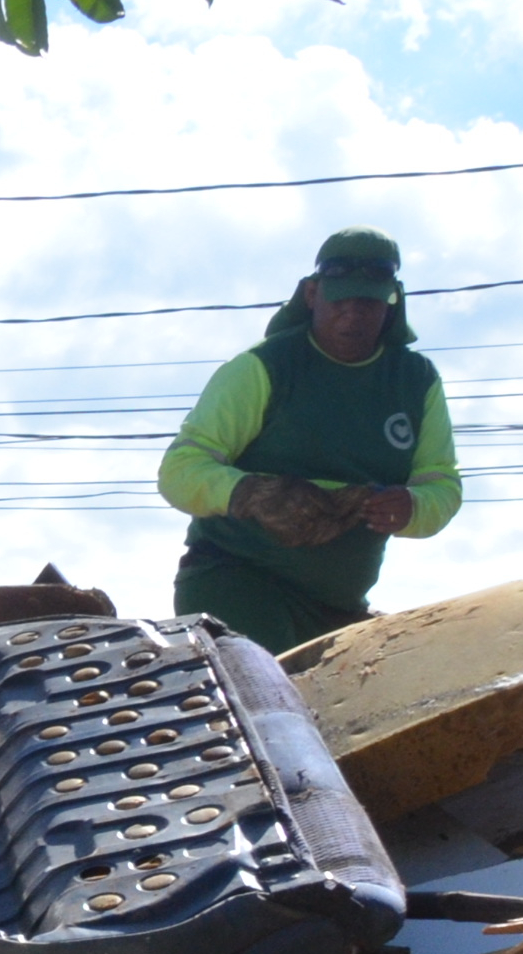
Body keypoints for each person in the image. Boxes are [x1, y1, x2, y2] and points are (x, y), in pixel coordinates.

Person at [159, 227, 462, 652]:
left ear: (393, 301)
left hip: (337, 608)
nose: (353, 314)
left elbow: (442, 484)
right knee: (273, 707)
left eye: (369, 301)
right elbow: (179, 471)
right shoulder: (263, 367)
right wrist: (254, 492)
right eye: (340, 299)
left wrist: (413, 506)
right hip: (235, 583)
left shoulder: (416, 381)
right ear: (311, 295)